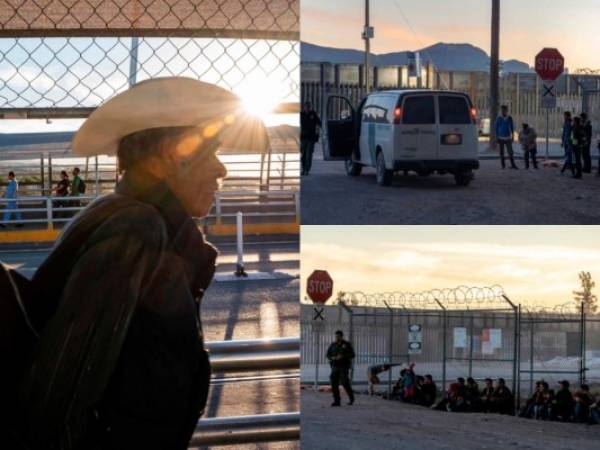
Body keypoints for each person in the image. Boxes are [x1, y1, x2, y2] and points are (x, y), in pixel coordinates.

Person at [16, 77, 269, 450]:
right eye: (211, 151)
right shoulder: (135, 230)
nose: (222, 170)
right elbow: (63, 393)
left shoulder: (126, 218)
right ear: (173, 153)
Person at [326, 330, 355, 407]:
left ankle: (351, 397)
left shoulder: (347, 344)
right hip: (335, 366)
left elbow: (352, 354)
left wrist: (343, 356)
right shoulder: (333, 345)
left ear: (341, 336)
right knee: (333, 381)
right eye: (336, 336)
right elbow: (327, 354)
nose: (336, 338)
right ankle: (337, 401)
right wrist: (332, 357)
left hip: (344, 366)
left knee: (344, 382)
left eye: (338, 336)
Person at [300, 101, 321, 176]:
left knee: (309, 154)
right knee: (303, 155)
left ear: (310, 107)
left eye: (309, 107)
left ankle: (306, 170)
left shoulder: (313, 114)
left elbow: (319, 123)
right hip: (303, 138)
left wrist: (320, 132)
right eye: (306, 107)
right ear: (304, 107)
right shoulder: (301, 114)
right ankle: (303, 169)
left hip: (311, 138)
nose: (308, 108)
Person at [495, 105, 518, 169]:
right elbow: (496, 128)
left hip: (508, 137)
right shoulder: (498, 118)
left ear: (506, 111)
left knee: (510, 152)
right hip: (500, 137)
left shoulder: (509, 118)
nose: (503, 111)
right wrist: (496, 137)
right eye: (502, 110)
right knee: (501, 152)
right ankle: (503, 165)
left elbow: (512, 127)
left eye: (504, 110)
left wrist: (513, 136)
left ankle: (513, 164)